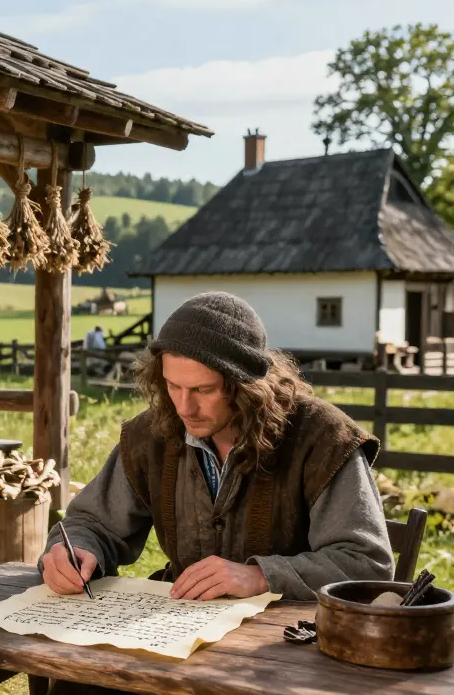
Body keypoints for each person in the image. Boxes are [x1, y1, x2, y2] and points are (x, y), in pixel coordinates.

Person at [39, 292, 393, 692]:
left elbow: (368, 565)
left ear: (245, 385)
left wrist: (262, 575)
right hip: (175, 634)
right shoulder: (150, 434)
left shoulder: (322, 438)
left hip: (286, 650)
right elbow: (91, 523)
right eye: (173, 386)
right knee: (78, 682)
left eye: (203, 390)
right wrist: (75, 551)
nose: (184, 407)